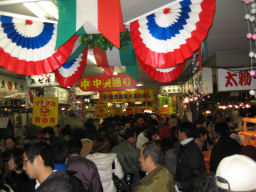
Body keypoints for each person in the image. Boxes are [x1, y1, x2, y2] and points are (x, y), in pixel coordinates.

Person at [175, 122, 206, 192]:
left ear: (183, 134)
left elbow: (197, 176)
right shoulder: (188, 147)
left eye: (178, 132)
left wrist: (181, 186)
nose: (177, 135)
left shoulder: (191, 150)